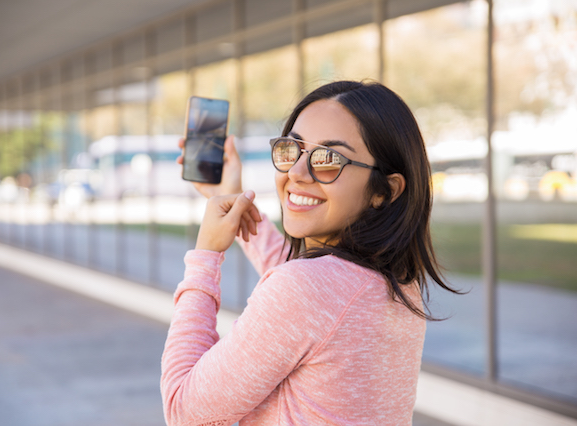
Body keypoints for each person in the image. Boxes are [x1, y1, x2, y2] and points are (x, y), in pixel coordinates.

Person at [161, 80, 458, 425]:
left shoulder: (308, 290)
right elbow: (315, 295)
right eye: (292, 150)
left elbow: (184, 410)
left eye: (328, 159)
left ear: (385, 190)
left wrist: (205, 256)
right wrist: (232, 195)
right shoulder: (398, 285)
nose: (298, 173)